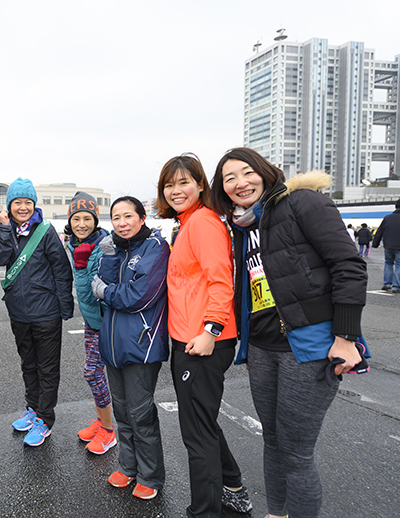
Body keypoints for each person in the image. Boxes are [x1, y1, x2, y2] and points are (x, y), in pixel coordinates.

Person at [210, 147, 367, 518]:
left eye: (246, 172)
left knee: (296, 452)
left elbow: (349, 266)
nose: (239, 183)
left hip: (310, 345)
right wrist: (248, 347)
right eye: (229, 178)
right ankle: (276, 513)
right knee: (272, 441)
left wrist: (346, 337)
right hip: (264, 348)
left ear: (265, 172)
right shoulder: (242, 226)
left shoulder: (302, 203)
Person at [156, 154, 251, 517]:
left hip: (204, 341)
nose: (177, 190)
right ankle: (234, 488)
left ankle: (205, 510)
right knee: (202, 423)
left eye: (184, 182)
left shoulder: (203, 222)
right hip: (187, 338)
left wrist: (210, 330)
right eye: (170, 184)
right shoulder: (187, 222)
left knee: (196, 433)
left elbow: (220, 280)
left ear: (200, 185)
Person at [91, 196, 170, 501]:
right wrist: (110, 259)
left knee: (140, 413)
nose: (122, 223)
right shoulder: (116, 249)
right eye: (116, 218)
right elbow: (102, 283)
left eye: (128, 216)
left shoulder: (155, 247)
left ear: (141, 217)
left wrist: (107, 291)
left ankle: (151, 475)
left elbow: (138, 296)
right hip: (113, 345)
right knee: (122, 412)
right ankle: (128, 466)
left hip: (142, 345)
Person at [0, 178, 74, 447]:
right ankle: (33, 408)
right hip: (18, 312)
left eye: (28, 202)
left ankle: (45, 420)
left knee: (47, 368)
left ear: (34, 204)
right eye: (17, 202)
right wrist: (3, 229)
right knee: (28, 364)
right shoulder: (6, 231)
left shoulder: (46, 231)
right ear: (9, 205)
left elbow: (62, 270)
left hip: (46, 312)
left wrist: (64, 306)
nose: (23, 207)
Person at [63, 191, 115, 454]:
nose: (81, 224)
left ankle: (108, 430)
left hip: (106, 322)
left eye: (87, 218)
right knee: (94, 374)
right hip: (91, 320)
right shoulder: (74, 244)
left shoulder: (105, 246)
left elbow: (96, 289)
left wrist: (82, 267)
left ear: (96, 219)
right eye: (76, 218)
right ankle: (101, 421)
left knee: (93, 373)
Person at [372, 199, 400, 293]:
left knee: (388, 263)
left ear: (395, 207)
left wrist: (375, 243)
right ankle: (396, 286)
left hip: (388, 245)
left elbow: (379, 231)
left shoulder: (388, 217)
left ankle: (387, 284)